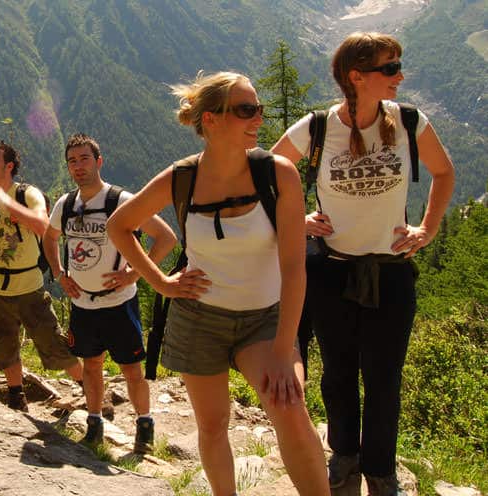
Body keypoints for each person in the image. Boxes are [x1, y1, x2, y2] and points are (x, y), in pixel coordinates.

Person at [107, 71, 329, 496]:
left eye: (259, 108)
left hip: (263, 320)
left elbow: (294, 267)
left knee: (291, 408)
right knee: (212, 426)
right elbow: (121, 226)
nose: (258, 119)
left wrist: (285, 349)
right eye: (246, 110)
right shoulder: (182, 178)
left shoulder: (277, 174)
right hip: (198, 320)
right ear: (211, 120)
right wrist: (162, 282)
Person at [271, 32, 454, 495]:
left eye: (398, 66)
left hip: (390, 271)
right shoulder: (316, 128)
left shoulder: (409, 121)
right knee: (337, 371)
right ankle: (345, 455)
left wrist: (427, 230)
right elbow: (268, 172)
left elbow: (444, 171)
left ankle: (380, 469)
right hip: (332, 269)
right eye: (390, 69)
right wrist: (298, 216)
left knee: (384, 376)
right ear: (357, 76)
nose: (400, 76)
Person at [44, 133, 177, 453]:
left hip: (119, 303)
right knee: (91, 366)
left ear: (99, 161)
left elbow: (166, 237)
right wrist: (60, 274)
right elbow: (49, 238)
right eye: (72, 161)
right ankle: (94, 425)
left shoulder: (120, 201)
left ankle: (144, 425)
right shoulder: (66, 204)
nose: (78, 166)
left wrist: (133, 273)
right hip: (82, 303)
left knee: (132, 370)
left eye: (84, 159)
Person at [0, 138, 83, 412]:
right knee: (4, 347)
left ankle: (90, 389)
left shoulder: (27, 195)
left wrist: (4, 200)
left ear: (9, 166)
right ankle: (16, 397)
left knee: (53, 343)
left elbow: (43, 225)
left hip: (29, 286)